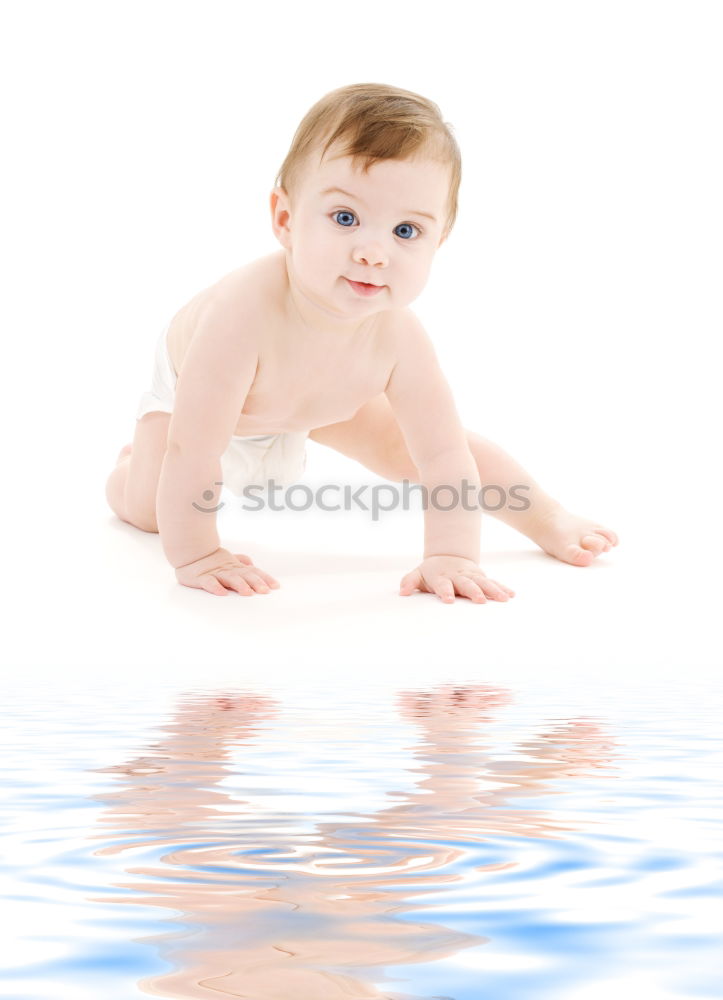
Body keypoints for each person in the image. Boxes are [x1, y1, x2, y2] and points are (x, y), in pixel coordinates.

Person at [105, 82, 617, 604]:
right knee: (152, 510)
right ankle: (131, 464)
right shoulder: (239, 316)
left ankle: (547, 516)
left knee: (408, 447)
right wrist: (198, 554)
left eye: (406, 231)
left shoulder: (398, 335)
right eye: (345, 219)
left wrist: (453, 553)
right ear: (286, 219)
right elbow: (195, 448)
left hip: (324, 393)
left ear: (438, 240)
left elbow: (444, 454)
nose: (374, 252)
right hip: (210, 397)